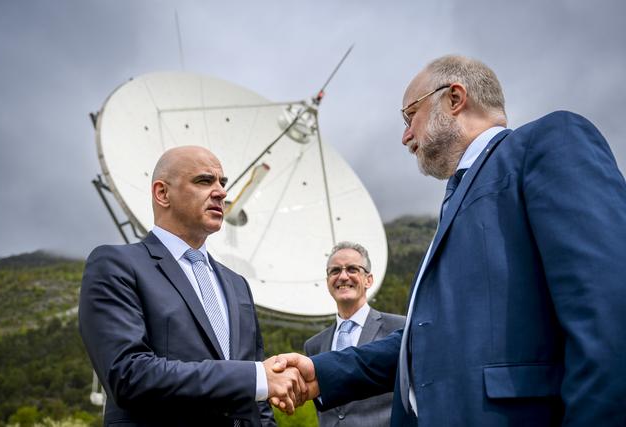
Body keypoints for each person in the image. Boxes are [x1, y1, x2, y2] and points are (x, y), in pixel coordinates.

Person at [272, 55, 626, 426]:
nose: (405, 135)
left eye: (410, 116)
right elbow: (426, 339)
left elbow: (609, 310)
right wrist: (322, 371)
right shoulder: (456, 202)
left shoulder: (548, 144)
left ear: (454, 99)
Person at [79, 146, 306, 427]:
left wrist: (260, 384)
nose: (222, 192)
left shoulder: (237, 286)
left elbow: (258, 402)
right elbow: (128, 375)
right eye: (204, 181)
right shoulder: (117, 265)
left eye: (222, 183)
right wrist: (256, 377)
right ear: (162, 193)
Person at [304, 241, 405, 427]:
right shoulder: (314, 345)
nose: (343, 276)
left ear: (368, 279)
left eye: (352, 269)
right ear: (327, 282)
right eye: (335, 271)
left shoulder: (399, 329)